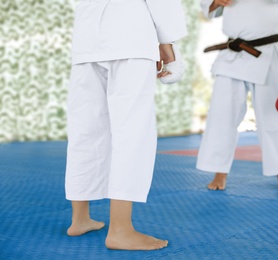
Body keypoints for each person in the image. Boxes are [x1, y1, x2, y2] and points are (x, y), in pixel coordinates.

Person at [65, 0, 187, 250]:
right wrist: (167, 42)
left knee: (85, 130)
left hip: (87, 36)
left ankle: (80, 219)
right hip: (129, 33)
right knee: (132, 131)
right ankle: (120, 230)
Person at [197, 0, 278, 190]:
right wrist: (215, 2)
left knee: (272, 117)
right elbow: (208, 7)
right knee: (222, 114)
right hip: (233, 53)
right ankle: (219, 172)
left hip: (269, 51)